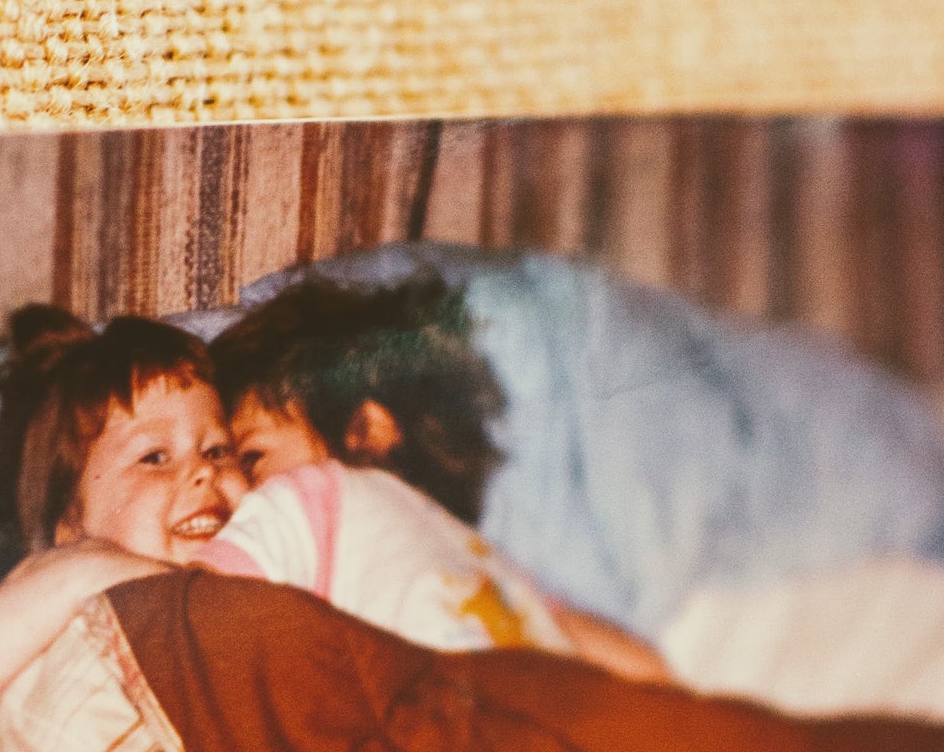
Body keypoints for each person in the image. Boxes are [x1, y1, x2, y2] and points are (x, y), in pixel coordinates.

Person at [208, 273, 671, 682]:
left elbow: (190, 610)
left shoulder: (311, 500)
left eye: (251, 458)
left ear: (366, 429)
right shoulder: (472, 551)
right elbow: (606, 651)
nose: (237, 487)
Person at [0, 305, 245, 736]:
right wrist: (84, 572)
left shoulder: (274, 587)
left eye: (217, 451)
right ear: (70, 530)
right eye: (154, 457)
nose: (204, 471)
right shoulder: (49, 610)